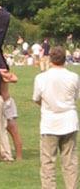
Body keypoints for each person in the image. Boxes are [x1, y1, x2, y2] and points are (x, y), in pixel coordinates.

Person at [32, 46, 79, 189]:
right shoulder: (73, 77)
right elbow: (75, 98)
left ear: (50, 58)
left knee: (48, 164)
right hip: (69, 122)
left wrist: (47, 106)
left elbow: (36, 98)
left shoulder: (41, 78)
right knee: (70, 163)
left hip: (50, 123)